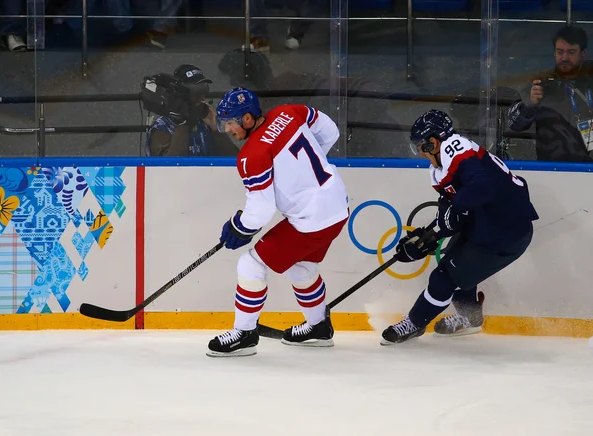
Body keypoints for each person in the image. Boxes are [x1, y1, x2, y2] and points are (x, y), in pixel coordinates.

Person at [206, 87, 349, 357]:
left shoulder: (251, 156)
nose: (227, 129)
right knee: (302, 267)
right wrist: (306, 175)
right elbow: (330, 131)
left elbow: (261, 208)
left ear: (248, 119)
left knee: (250, 264)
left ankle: (245, 334)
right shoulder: (288, 112)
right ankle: (318, 328)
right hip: (337, 206)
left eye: (231, 122)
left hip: (312, 220)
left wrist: (239, 226)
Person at [381, 110, 539, 344]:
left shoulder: (455, 149)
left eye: (420, 147)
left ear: (433, 142)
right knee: (453, 260)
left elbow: (481, 189)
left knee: (444, 276)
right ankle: (470, 318)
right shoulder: (444, 162)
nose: (421, 154)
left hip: (505, 233)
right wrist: (425, 238)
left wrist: (450, 214)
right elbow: (453, 212)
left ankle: (414, 323)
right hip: (489, 224)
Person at [509, 25, 593, 162]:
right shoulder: (541, 83)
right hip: (552, 170)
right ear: (554, 53)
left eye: (571, 52)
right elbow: (514, 124)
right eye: (560, 52)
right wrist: (528, 106)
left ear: (583, 53)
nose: (565, 57)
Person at [145, 64, 239, 157]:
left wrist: (215, 128)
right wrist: (182, 124)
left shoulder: (206, 123)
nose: (202, 97)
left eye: (204, 91)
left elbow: (235, 158)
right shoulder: (163, 125)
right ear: (182, 95)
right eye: (196, 92)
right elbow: (170, 165)